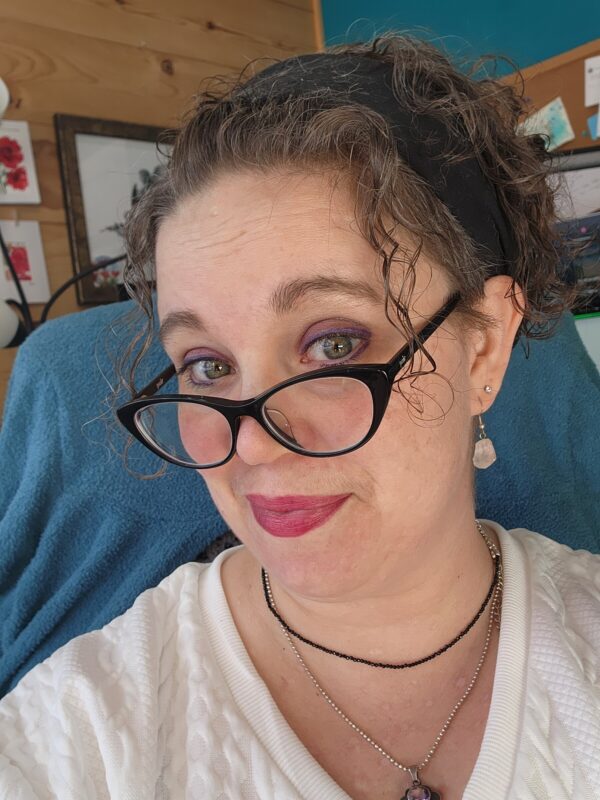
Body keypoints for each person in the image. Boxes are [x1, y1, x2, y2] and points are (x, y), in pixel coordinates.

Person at [1, 34, 598, 800]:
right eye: (208, 365)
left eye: (334, 343)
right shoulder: (82, 734)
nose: (251, 441)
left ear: (484, 346)